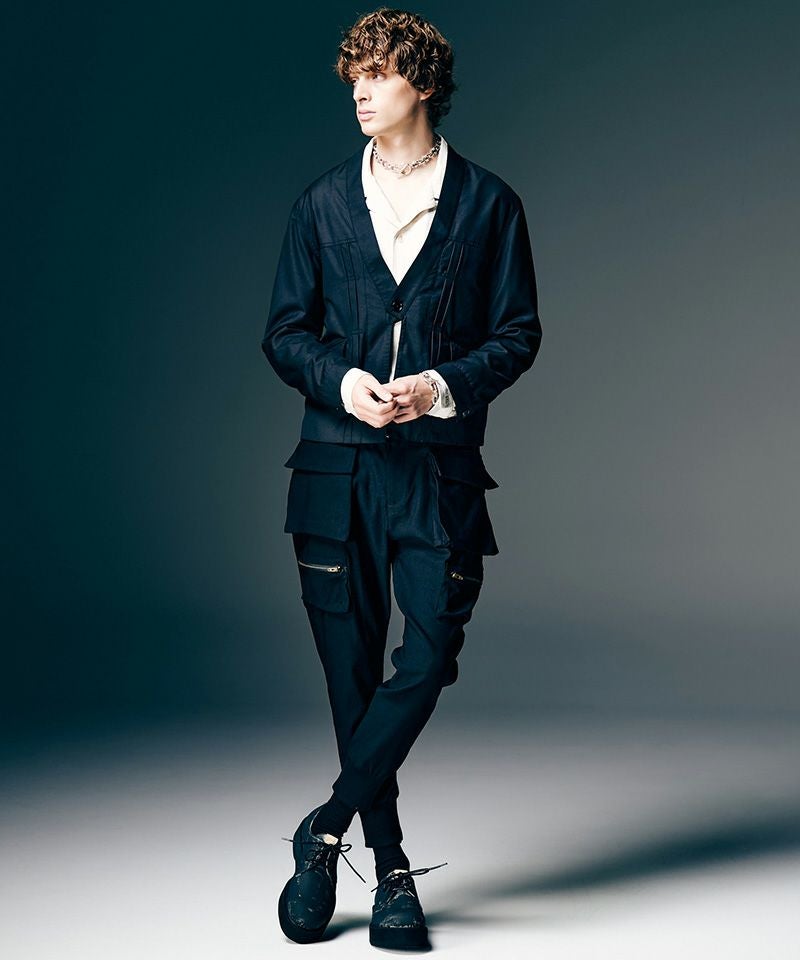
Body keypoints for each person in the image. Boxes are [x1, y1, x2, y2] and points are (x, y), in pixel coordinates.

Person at [261, 7, 542, 950]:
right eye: (354, 75)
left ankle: (323, 828)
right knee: (349, 677)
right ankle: (389, 874)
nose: (359, 90)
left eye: (377, 74)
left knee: (427, 656)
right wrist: (346, 382)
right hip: (334, 471)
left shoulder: (490, 205)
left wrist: (440, 387)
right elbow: (284, 333)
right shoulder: (320, 205)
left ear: (422, 82)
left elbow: (518, 334)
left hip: (436, 472)